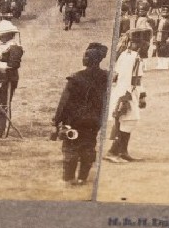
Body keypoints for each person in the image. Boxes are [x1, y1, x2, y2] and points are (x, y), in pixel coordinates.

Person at [52, 42, 110, 185]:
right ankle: (82, 178)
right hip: (94, 121)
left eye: (86, 56)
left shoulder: (76, 78)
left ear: (88, 60)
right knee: (89, 147)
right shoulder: (105, 77)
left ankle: (68, 179)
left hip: (74, 121)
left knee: (71, 148)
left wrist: (56, 122)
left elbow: (64, 103)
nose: (83, 58)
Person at [105, 29, 147, 163]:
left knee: (125, 121)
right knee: (127, 121)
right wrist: (130, 96)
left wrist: (141, 95)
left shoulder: (128, 55)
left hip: (126, 91)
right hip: (127, 93)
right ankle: (113, 152)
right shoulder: (133, 57)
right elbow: (130, 79)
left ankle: (122, 151)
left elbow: (132, 79)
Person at [0, 20, 24, 138]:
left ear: (10, 34)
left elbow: (14, 64)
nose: (0, 37)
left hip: (8, 78)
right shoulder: (0, 46)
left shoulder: (14, 47)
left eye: (3, 34)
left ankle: (1, 130)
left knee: (3, 103)